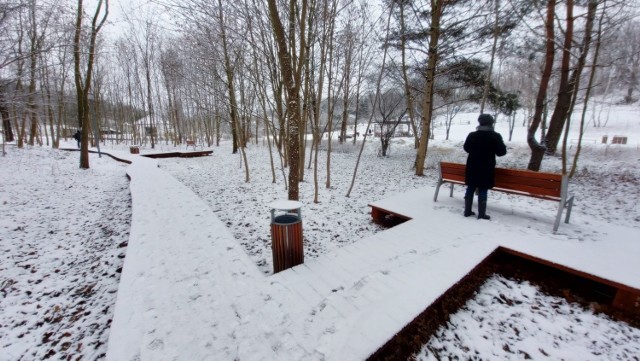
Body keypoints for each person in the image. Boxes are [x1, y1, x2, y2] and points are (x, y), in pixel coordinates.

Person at [463, 114, 507, 220]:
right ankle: (481, 214)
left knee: (471, 187)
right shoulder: (495, 136)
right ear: (491, 123)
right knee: (483, 189)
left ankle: (467, 211)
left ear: (480, 122)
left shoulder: (472, 135)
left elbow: (466, 148)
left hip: (472, 166)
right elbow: (501, 152)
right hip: (486, 168)